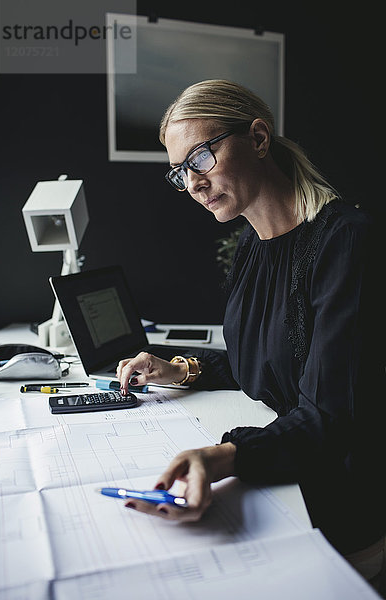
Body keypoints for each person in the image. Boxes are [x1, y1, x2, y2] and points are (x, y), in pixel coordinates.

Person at [117, 80, 386, 592]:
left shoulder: (346, 240)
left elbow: (329, 414)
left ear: (259, 138)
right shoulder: (251, 244)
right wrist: (181, 368)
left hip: (337, 507)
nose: (192, 185)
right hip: (285, 476)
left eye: (199, 158)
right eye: (179, 173)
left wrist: (218, 457)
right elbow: (268, 364)